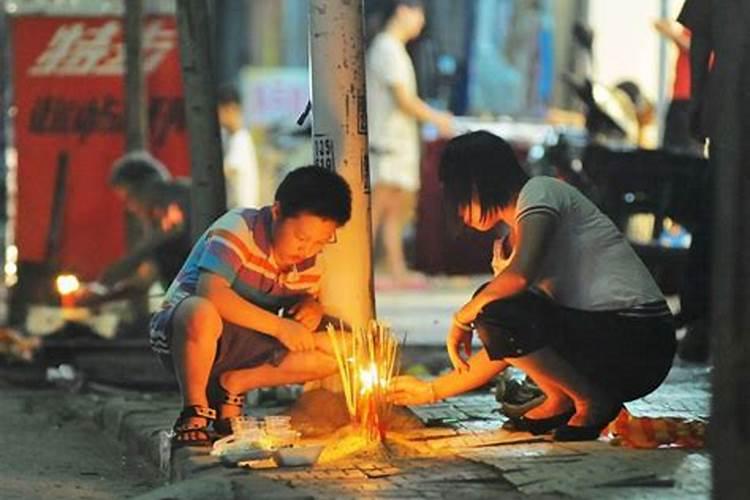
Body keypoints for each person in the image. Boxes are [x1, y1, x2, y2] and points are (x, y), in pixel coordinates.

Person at [390, 131, 676, 441]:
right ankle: (563, 397)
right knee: (492, 304)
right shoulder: (518, 230)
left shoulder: (540, 193)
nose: (458, 211)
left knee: (493, 304)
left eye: (458, 197)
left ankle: (590, 400)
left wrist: (463, 317)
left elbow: (517, 283)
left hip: (641, 342)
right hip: (612, 342)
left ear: (477, 182)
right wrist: (431, 390)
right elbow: (508, 345)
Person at [149, 166, 352, 447]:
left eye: (320, 241)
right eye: (302, 238)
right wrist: (281, 327)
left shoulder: (313, 264)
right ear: (277, 212)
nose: (306, 250)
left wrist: (310, 307)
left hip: (245, 346)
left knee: (342, 348)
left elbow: (304, 306)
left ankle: (234, 384)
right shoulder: (238, 229)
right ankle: (194, 409)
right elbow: (212, 294)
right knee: (201, 311)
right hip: (184, 337)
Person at [366, 0, 453, 289]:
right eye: (419, 14)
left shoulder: (394, 49)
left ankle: (395, 269)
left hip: (396, 142)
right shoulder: (387, 48)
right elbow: (403, 100)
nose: (421, 22)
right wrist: (436, 117)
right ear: (403, 10)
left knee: (394, 210)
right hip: (387, 142)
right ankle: (368, 271)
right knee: (378, 208)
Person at [76, 151, 191, 308]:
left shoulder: (179, 202)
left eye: (129, 197)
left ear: (146, 188)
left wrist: (118, 271)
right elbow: (144, 278)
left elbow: (159, 243)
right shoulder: (160, 220)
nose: (130, 208)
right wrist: (104, 294)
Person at [653, 18, 703, 154]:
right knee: (674, 154)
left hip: (689, 98)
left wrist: (671, 33)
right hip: (684, 97)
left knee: (682, 155)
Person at [217, 84, 260, 209]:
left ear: (231, 109)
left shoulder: (241, 139)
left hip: (242, 216)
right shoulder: (229, 137)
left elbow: (228, 169)